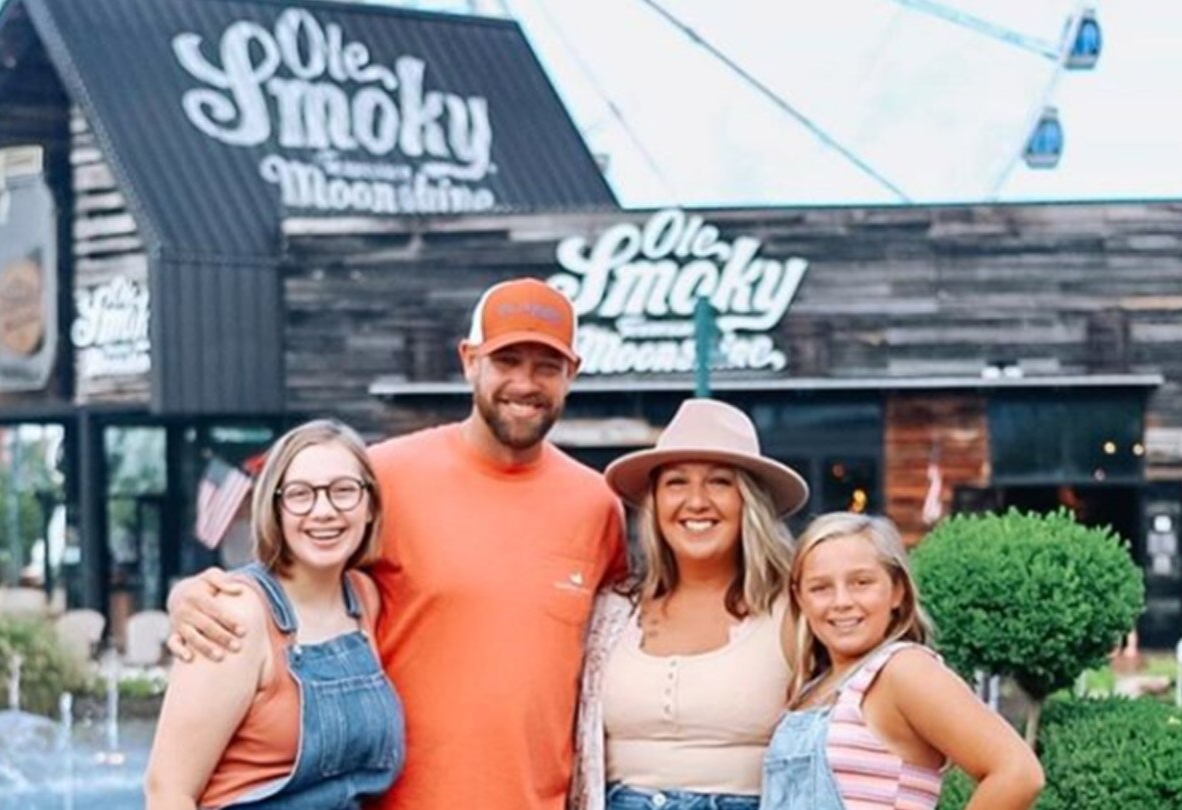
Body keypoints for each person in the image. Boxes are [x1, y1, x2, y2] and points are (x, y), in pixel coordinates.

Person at [166, 278, 627, 810]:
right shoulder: (383, 478)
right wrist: (191, 596)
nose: (525, 382)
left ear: (572, 373)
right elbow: (284, 581)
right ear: (469, 360)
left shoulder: (596, 507)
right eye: (507, 361)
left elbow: (626, 637)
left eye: (546, 366)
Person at [144, 420, 402, 810]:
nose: (324, 511)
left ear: (369, 508)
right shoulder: (237, 613)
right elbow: (167, 791)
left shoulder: (364, 598)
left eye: (344, 491)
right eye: (300, 495)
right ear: (276, 509)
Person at [572, 398, 808, 810]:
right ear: (655, 503)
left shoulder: (796, 611)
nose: (696, 502)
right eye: (676, 483)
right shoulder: (612, 612)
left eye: (719, 482)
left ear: (748, 502)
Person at [763, 513, 1042, 810]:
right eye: (820, 588)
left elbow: (1019, 773)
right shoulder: (812, 688)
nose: (841, 601)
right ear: (800, 598)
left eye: (861, 582)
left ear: (897, 591)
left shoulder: (903, 670)